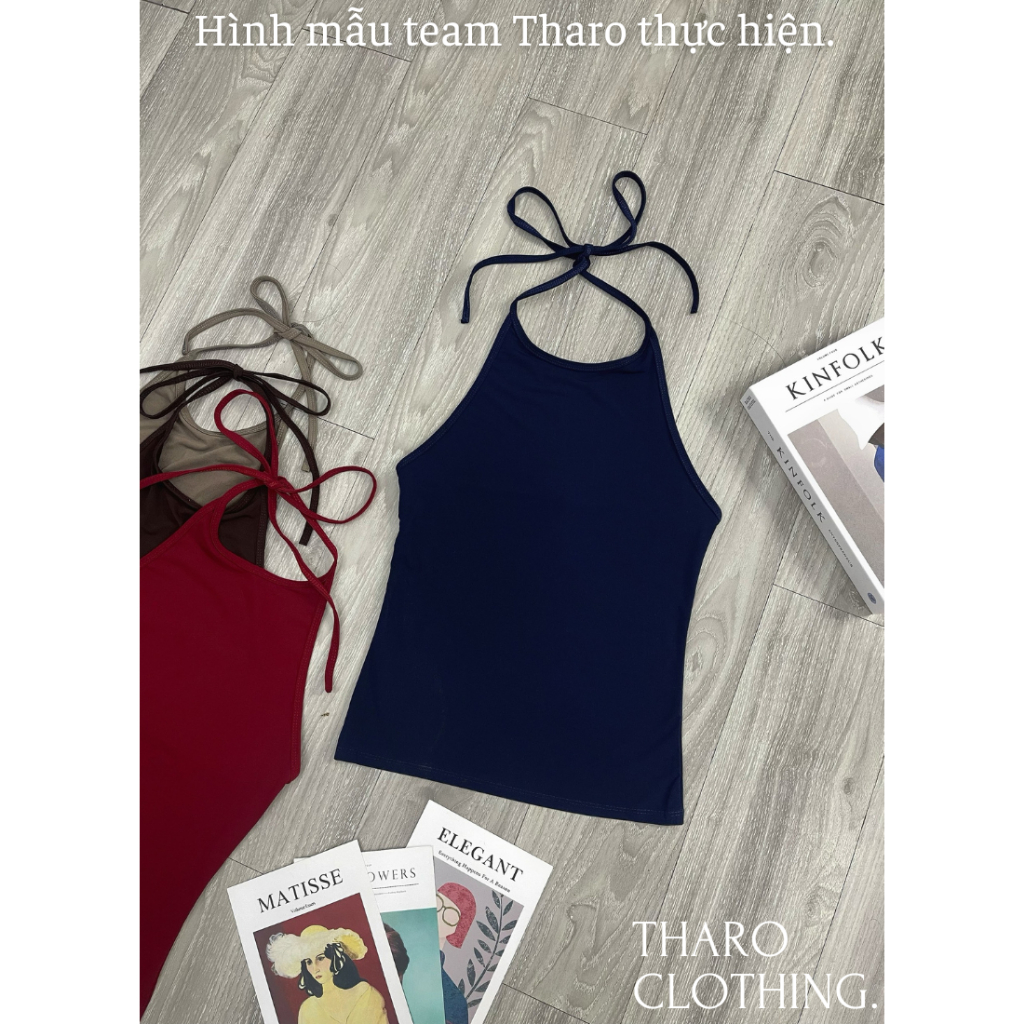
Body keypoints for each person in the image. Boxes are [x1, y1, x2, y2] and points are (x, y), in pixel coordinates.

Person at [265, 924, 388, 1024]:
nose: (315, 968)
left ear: (335, 957)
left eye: (320, 958)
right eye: (308, 962)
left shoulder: (365, 993)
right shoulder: (307, 1009)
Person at [437, 883, 476, 1024]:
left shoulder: (455, 1002)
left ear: (458, 928)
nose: (438, 914)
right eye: (437, 902)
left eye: (451, 915)